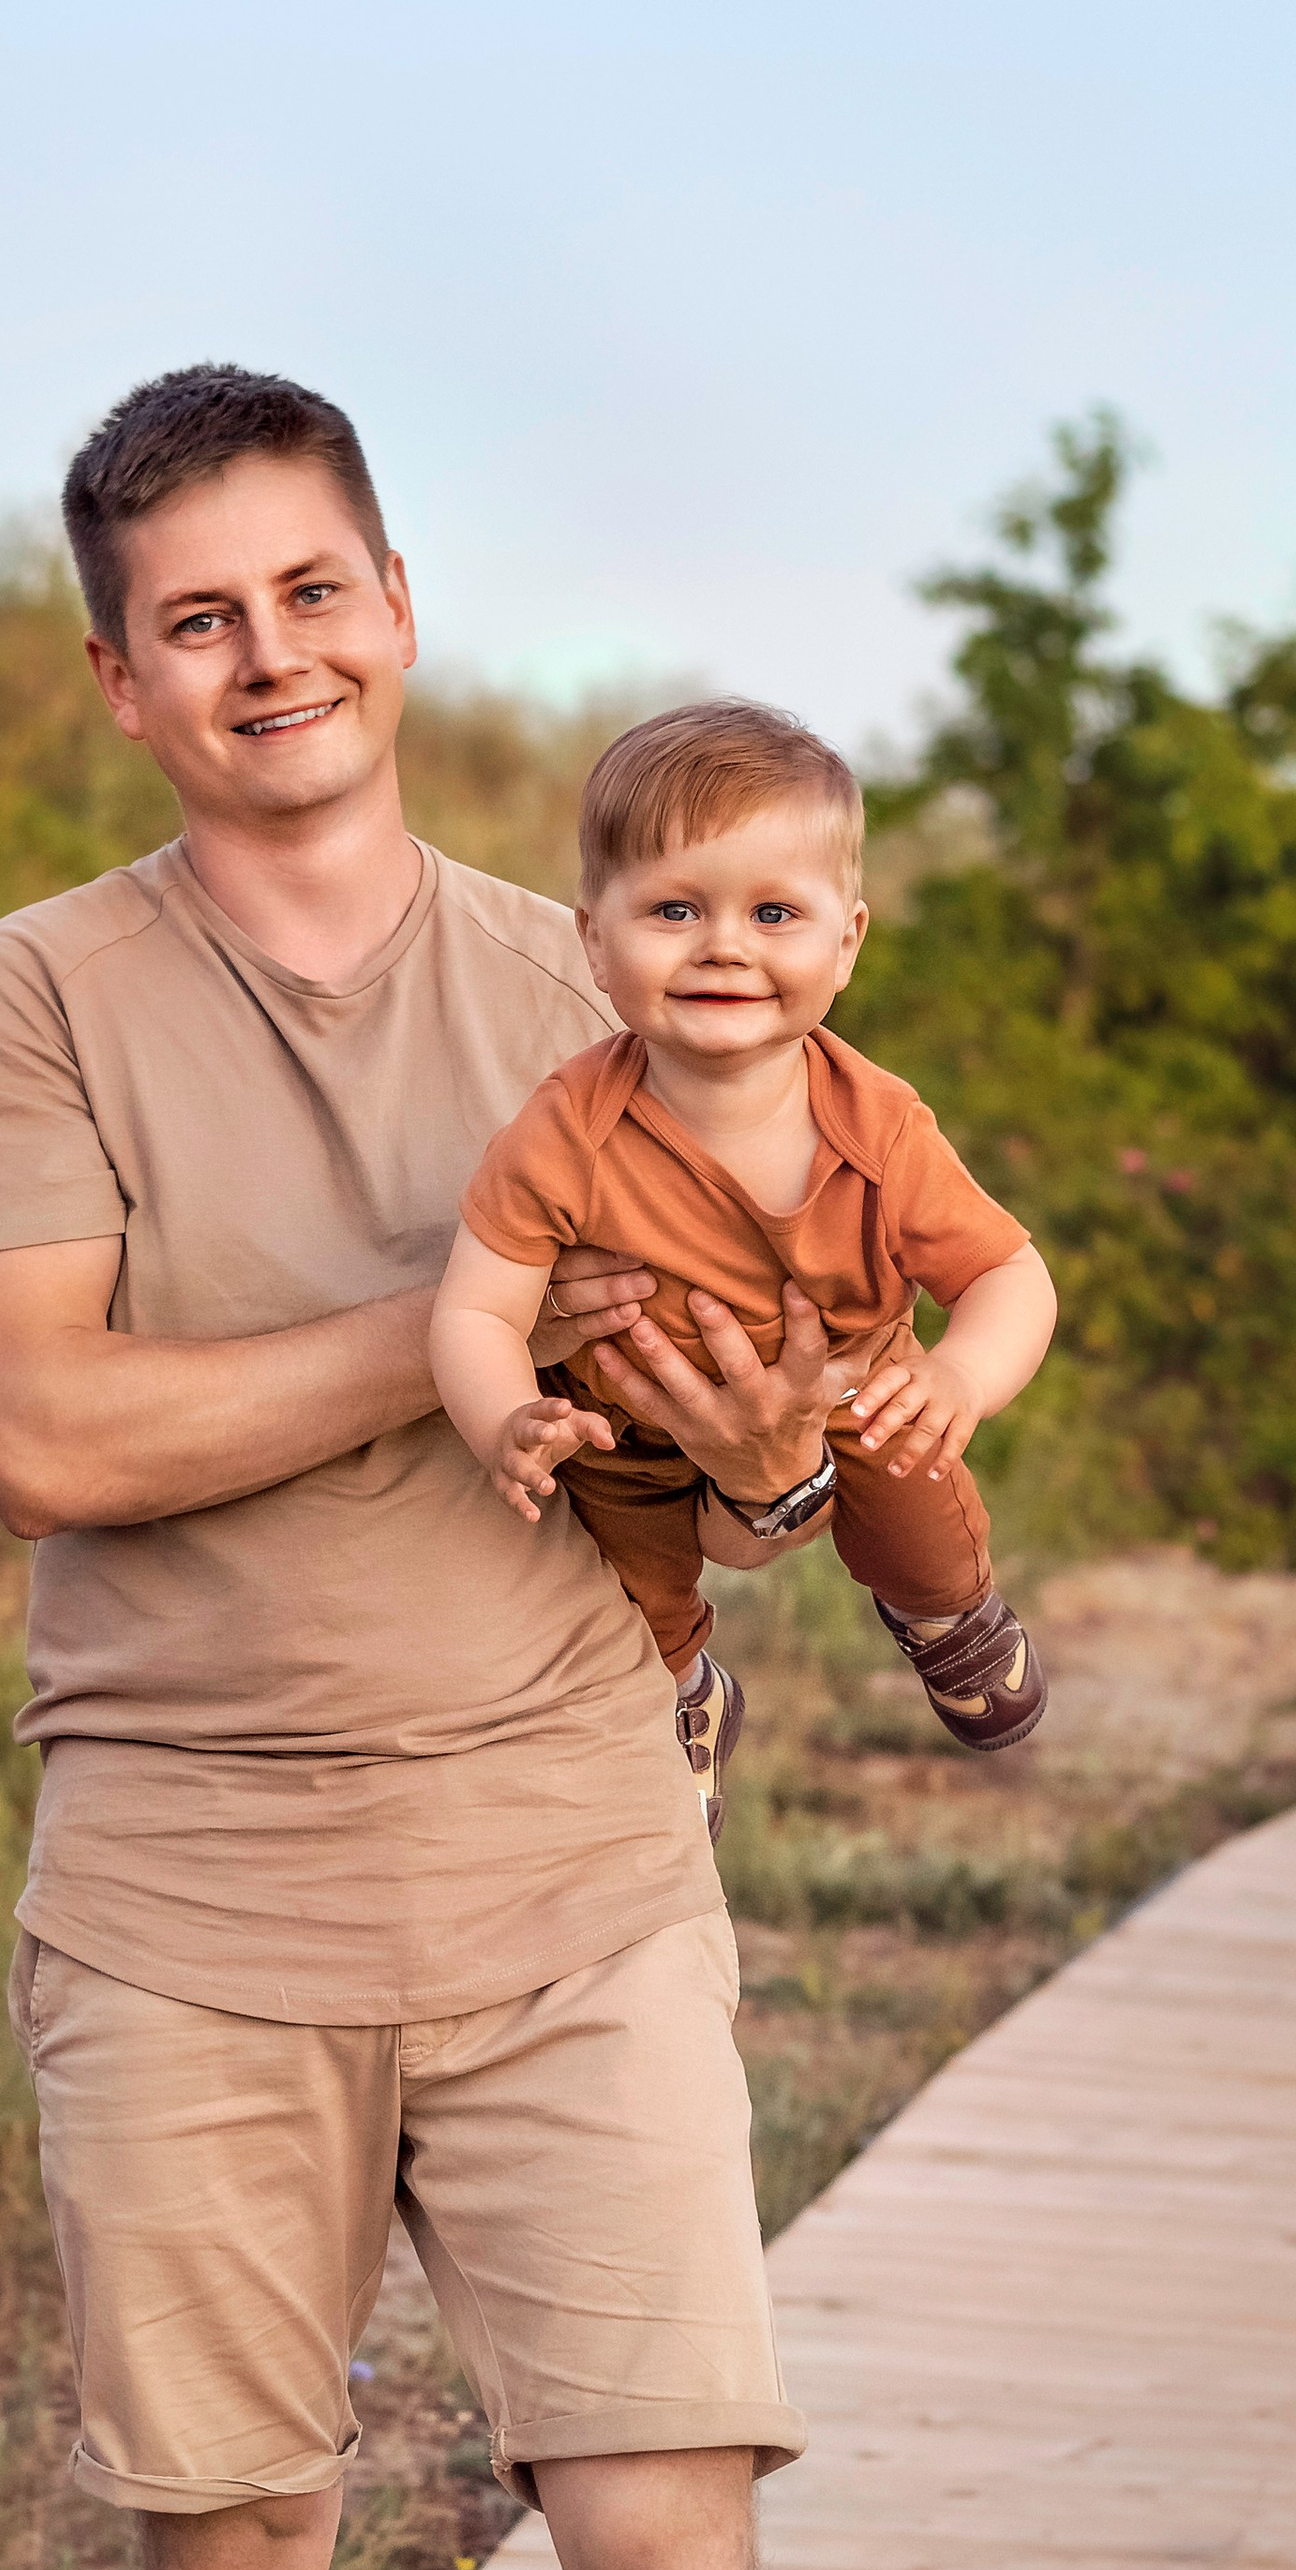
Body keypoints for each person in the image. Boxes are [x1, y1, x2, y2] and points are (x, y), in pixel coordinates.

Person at [0, 363, 842, 2570]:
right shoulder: (26, 1005)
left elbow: (764, 1425)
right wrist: (461, 1319)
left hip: (570, 1857)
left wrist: (759, 1425)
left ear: (399, 608)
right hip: (186, 1886)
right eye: (197, 618)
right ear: (118, 681)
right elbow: (49, 1431)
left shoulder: (609, 978)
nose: (266, 654)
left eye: (310, 590)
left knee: (669, 2557)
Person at [432, 699, 1060, 1829]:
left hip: (849, 1382)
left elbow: (1009, 1275)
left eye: (774, 912)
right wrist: (503, 1420)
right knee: (624, 1578)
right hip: (624, 1414)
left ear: (846, 943)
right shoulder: (565, 1127)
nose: (724, 944)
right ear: (593, 939)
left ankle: (945, 1610)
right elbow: (477, 1308)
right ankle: (683, 1690)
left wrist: (962, 1375)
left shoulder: (877, 1125)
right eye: (674, 909)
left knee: (912, 1484)